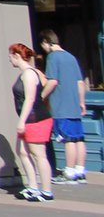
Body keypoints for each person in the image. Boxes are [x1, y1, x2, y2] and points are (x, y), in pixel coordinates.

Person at [40, 29, 88, 184]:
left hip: (61, 105)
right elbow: (80, 82)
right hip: (74, 104)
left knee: (68, 140)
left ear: (46, 42)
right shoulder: (70, 57)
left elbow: (52, 81)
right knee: (78, 138)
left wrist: (41, 96)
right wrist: (81, 102)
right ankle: (80, 170)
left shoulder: (53, 58)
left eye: (43, 45)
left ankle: (69, 171)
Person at [10, 43, 55, 202]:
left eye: (11, 56)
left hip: (36, 119)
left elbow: (30, 98)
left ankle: (47, 191)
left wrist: (21, 121)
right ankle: (33, 186)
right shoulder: (29, 73)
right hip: (29, 118)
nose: (10, 60)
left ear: (16, 55)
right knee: (22, 151)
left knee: (39, 154)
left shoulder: (29, 74)